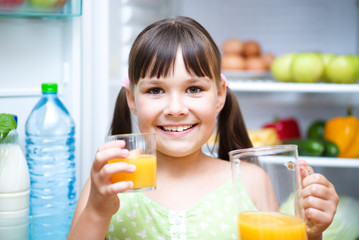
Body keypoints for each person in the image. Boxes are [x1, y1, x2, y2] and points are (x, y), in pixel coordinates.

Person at [67, 16, 338, 240]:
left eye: (194, 89)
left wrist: (311, 234)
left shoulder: (251, 182)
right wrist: (97, 210)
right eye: (156, 90)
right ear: (132, 99)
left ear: (220, 95)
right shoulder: (110, 183)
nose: (176, 108)